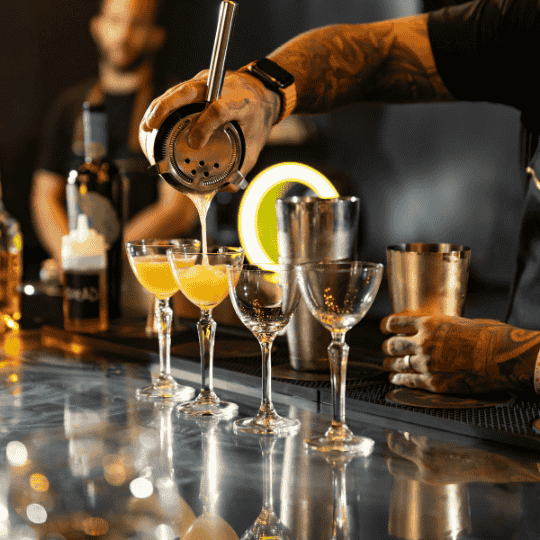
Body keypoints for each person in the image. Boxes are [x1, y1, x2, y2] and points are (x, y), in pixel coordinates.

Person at [140, 0, 540, 394]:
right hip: (513, 407)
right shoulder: (528, 22)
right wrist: (263, 90)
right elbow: (379, 51)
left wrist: (508, 359)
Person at [31, 0, 199, 316]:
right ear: (97, 27)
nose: (123, 34)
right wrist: (73, 258)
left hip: (152, 283)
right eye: (115, 21)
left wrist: (100, 256)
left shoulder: (172, 107)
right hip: (80, 279)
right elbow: (44, 197)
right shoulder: (69, 106)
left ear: (156, 35)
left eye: (137, 23)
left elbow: (177, 209)